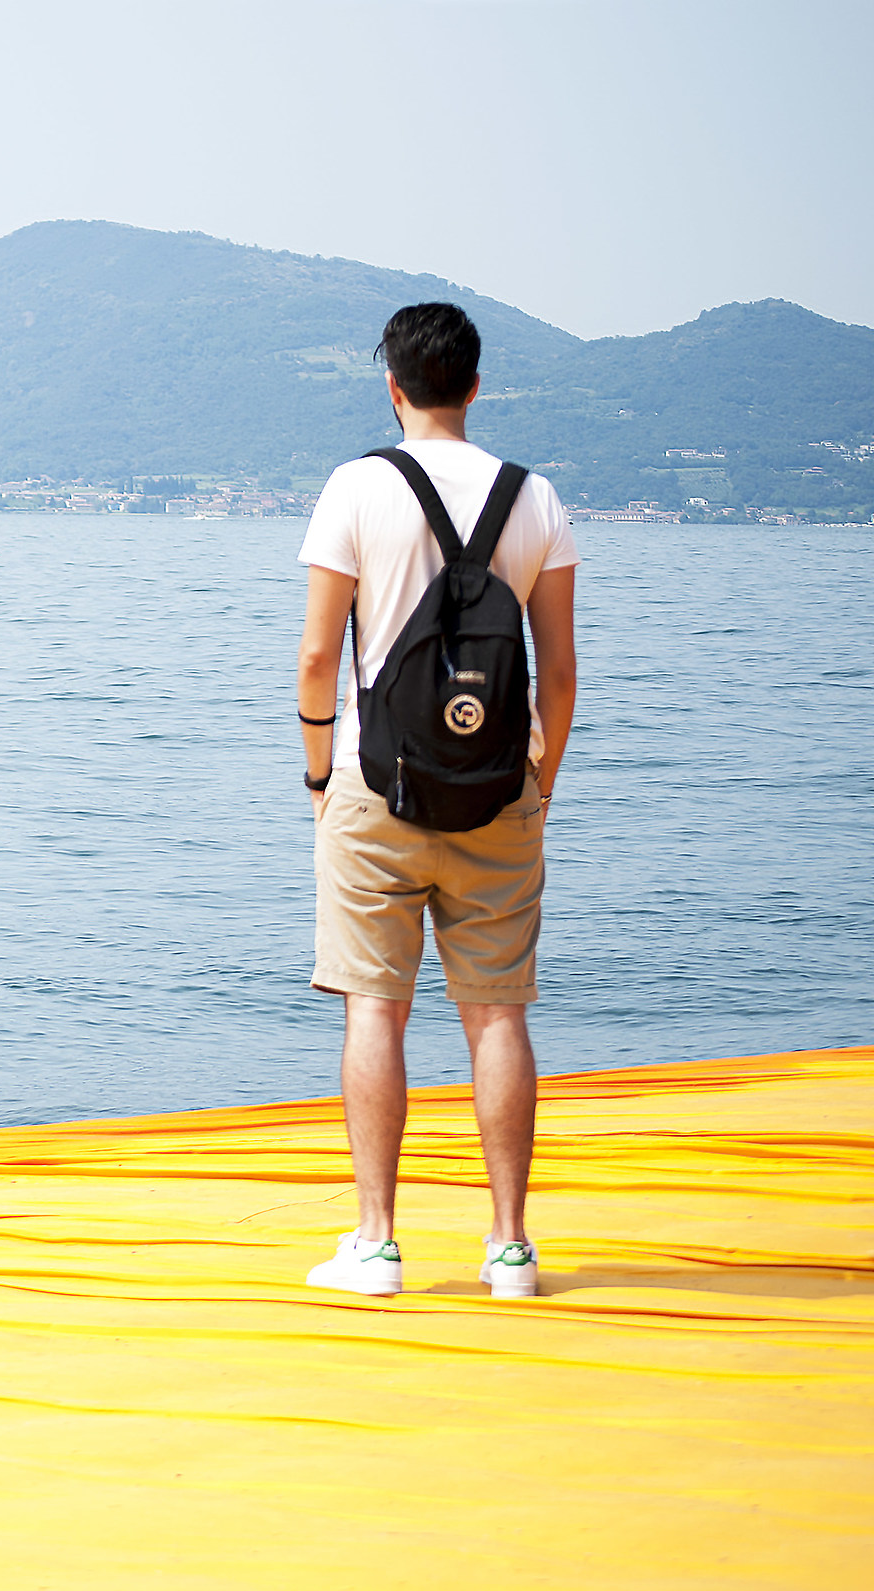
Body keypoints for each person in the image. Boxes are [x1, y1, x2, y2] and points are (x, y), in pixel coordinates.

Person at [294, 302, 580, 1299]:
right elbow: (560, 674)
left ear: (393, 386)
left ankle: (376, 1244)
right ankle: (510, 1248)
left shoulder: (357, 487)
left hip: (377, 786)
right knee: (497, 1014)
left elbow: (320, 656)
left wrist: (321, 777)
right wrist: (537, 785)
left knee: (376, 1009)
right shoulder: (535, 497)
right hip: (501, 792)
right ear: (475, 384)